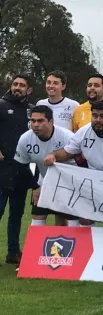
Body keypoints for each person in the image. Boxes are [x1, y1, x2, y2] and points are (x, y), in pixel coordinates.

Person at [14, 105, 79, 227]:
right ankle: (35, 246)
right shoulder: (25, 139)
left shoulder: (67, 137)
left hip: (70, 184)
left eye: (40, 121)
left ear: (51, 121)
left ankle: (76, 246)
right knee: (37, 216)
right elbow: (21, 166)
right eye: (32, 121)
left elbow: (82, 162)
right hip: (45, 181)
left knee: (72, 220)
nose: (35, 125)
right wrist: (35, 187)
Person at [0, 74, 35, 265]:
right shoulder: (1, 105)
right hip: (1, 169)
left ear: (28, 90)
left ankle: (13, 253)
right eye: (15, 84)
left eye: (22, 85)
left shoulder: (31, 111)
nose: (17, 87)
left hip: (21, 170)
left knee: (16, 214)